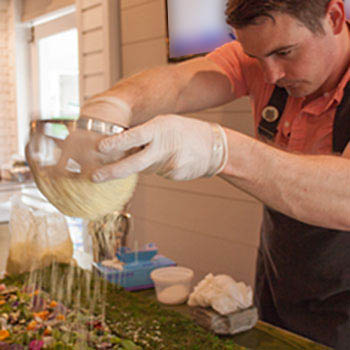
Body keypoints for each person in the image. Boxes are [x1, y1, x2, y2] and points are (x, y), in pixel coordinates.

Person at [80, 0, 350, 348]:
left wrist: (218, 150)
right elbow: (178, 83)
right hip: (279, 284)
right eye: (256, 59)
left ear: (334, 17)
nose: (271, 76)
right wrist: (111, 106)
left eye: (285, 52)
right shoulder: (268, 60)